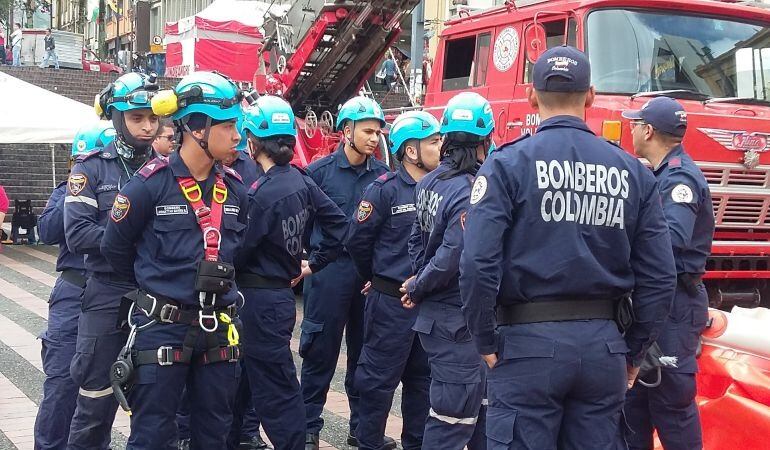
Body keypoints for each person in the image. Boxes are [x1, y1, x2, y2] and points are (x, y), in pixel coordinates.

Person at [458, 45, 677, 449]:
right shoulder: (632, 171)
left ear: (530, 95)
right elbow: (661, 277)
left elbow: (476, 263)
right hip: (603, 346)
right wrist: (632, 350)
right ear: (590, 96)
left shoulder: (508, 164)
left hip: (525, 344)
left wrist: (483, 338)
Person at [100, 71, 248, 449]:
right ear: (197, 128)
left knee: (215, 433)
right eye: (229, 125)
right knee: (152, 435)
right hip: (162, 327)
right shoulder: (149, 185)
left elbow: (240, 249)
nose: (238, 136)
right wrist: (157, 289)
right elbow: (115, 250)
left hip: (219, 328)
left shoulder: (234, 189)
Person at [236, 95, 348, 450]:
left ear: (253, 142)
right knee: (245, 381)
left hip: (258, 301)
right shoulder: (300, 180)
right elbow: (338, 224)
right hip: (280, 296)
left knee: (276, 388)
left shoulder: (262, 195)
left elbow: (238, 252)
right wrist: (314, 262)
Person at [64, 72, 160, 450]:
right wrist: (131, 235)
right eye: (138, 118)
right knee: (94, 403)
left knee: (156, 407)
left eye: (153, 118)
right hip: (105, 297)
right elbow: (77, 236)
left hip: (156, 299)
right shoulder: (90, 168)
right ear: (117, 118)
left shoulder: (170, 172)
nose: (148, 126)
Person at [401, 92, 493, 450]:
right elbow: (454, 255)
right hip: (457, 324)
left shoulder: (428, 182)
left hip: (440, 321)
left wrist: (416, 281)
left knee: (480, 416)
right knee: (452, 422)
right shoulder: (471, 191)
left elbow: (415, 242)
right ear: (481, 144)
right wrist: (420, 285)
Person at [622, 96, 714, 450]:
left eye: (634, 124)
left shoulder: (680, 178)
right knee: (635, 405)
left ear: (648, 131)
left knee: (672, 404)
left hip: (674, 305)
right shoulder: (659, 175)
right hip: (655, 301)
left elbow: (670, 243)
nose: (631, 129)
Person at [347, 111, 441, 450]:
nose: (441, 146)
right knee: (376, 383)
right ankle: (368, 442)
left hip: (429, 306)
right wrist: (376, 277)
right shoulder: (384, 190)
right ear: (411, 151)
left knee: (422, 383)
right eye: (433, 141)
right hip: (390, 306)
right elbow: (358, 241)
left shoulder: (443, 189)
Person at [300, 95, 389, 450]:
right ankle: (308, 429)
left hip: (366, 279)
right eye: (367, 130)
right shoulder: (318, 174)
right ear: (346, 130)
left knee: (364, 355)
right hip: (329, 275)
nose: (373, 138)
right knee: (319, 351)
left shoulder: (383, 177)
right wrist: (315, 258)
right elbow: (303, 226)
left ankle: (361, 428)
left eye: (377, 132)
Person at [34, 121, 115, 449]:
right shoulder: (69, 186)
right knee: (62, 385)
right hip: (74, 292)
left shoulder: (131, 186)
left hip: (112, 293)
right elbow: (47, 231)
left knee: (104, 387)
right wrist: (72, 190)